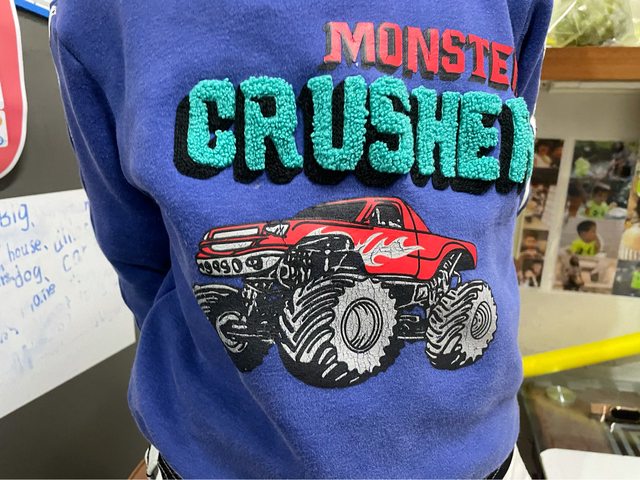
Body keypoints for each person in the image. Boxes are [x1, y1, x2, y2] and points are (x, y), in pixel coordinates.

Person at [49, 0, 553, 477]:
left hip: (482, 454)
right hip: (215, 455)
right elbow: (138, 255)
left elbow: (497, 190)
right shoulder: (98, 14)